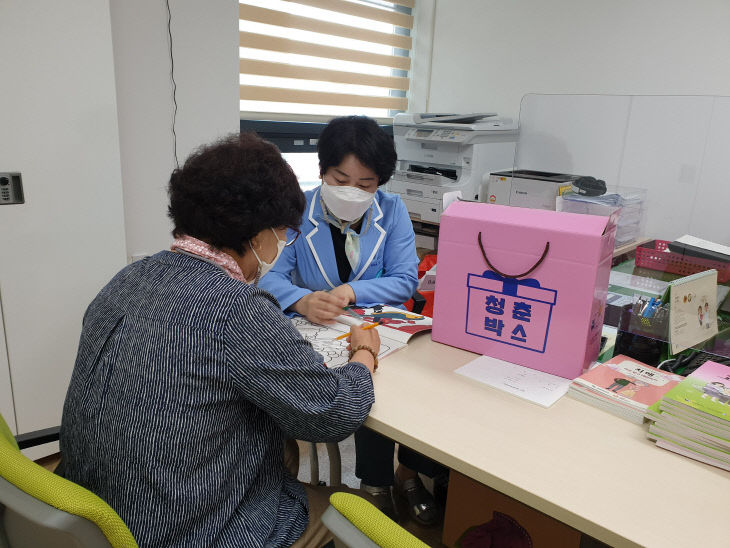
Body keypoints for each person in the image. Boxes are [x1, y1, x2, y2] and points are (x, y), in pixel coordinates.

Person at [59, 133, 380, 548]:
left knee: (279, 449)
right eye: (284, 233)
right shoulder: (238, 309)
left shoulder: (130, 277)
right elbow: (332, 416)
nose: (282, 244)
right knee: (348, 510)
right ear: (258, 236)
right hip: (180, 529)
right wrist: (364, 355)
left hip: (94, 511)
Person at [260, 115, 446, 525]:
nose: (352, 191)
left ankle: (407, 474)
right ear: (322, 170)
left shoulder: (392, 211)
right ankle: (374, 485)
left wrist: (353, 292)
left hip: (381, 329)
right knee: (360, 393)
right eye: (341, 179)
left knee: (409, 391)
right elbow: (269, 275)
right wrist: (302, 299)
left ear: (380, 183)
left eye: (365, 185)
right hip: (319, 331)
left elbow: (404, 279)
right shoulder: (297, 211)